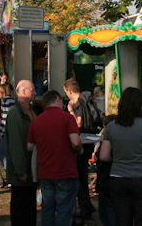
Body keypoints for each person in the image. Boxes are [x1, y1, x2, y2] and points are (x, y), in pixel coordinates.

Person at [100, 87, 142, 225]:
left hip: (118, 178)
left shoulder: (111, 127)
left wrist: (118, 158)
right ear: (141, 105)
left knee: (122, 220)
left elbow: (104, 156)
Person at [27, 90, 82, 226]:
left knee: (47, 209)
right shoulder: (67, 118)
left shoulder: (36, 121)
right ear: (57, 99)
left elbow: (29, 146)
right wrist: (79, 149)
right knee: (64, 210)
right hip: (65, 170)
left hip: (45, 171)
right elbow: (75, 142)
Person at [63, 78, 98, 219]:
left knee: (79, 177)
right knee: (82, 175)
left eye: (66, 92)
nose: (66, 95)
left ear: (70, 91)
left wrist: (70, 111)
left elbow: (77, 124)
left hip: (81, 143)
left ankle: (84, 207)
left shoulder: (76, 105)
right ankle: (87, 205)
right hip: (90, 140)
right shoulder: (87, 100)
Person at [6, 79, 38, 226]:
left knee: (29, 207)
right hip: (22, 171)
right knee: (21, 208)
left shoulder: (28, 112)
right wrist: (20, 170)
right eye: (33, 90)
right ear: (24, 92)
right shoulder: (16, 114)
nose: (35, 93)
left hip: (30, 168)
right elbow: (16, 144)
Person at [0, 82, 15, 178]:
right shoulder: (12, 101)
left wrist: (0, 133)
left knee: (0, 151)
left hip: (6, 131)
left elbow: (4, 119)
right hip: (12, 130)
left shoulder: (4, 102)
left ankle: (9, 172)